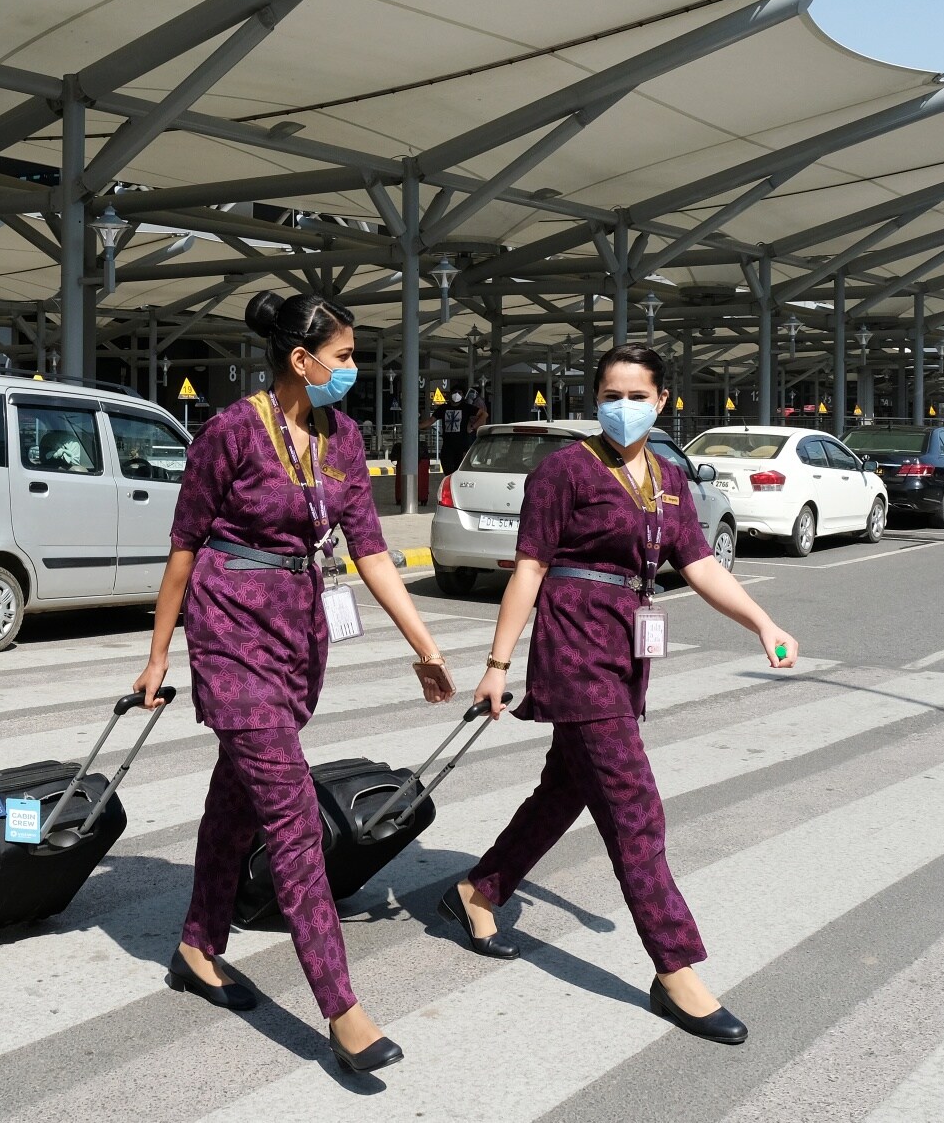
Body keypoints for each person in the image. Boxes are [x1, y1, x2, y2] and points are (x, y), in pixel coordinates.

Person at [132, 290, 458, 1076]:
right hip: (229, 630)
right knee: (291, 820)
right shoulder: (230, 432)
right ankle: (342, 1008)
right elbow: (183, 547)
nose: (354, 370)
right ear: (301, 360)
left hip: (298, 633)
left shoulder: (343, 438)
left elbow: (372, 551)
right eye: (344, 357)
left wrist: (426, 644)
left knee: (236, 797)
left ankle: (198, 946)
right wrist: (157, 655)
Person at [442, 343, 798, 1046]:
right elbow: (528, 570)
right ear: (595, 398)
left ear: (662, 401)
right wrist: (495, 663)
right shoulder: (563, 470)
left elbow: (697, 565)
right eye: (613, 393)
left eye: (639, 395)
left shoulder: (667, 478)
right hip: (573, 649)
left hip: (624, 652)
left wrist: (764, 622)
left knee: (565, 790)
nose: (625, 407)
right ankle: (676, 971)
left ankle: (478, 890)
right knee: (635, 810)